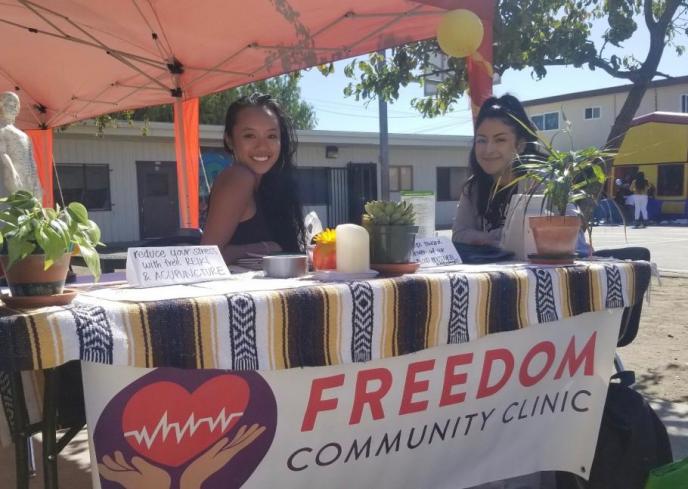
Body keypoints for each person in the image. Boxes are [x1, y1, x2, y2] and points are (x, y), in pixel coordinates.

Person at [201, 93, 305, 264]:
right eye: (250, 135)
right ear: (229, 140)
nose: (262, 146)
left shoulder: (271, 184)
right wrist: (265, 248)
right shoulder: (238, 178)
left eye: (271, 136)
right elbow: (205, 257)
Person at [452, 94, 539, 248]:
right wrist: (498, 239)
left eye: (500, 140)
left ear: (520, 145)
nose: (488, 149)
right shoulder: (473, 188)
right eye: (481, 140)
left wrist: (486, 238)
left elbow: (544, 235)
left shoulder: (541, 183)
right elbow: (459, 234)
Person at [0, 91, 42, 200]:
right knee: (18, 204)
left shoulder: (24, 134)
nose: (13, 107)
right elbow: (2, 152)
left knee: (34, 205)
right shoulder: (2, 129)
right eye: (9, 104)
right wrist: (13, 171)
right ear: (1, 106)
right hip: (14, 174)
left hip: (29, 175)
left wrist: (35, 177)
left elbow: (31, 158)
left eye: (15, 105)